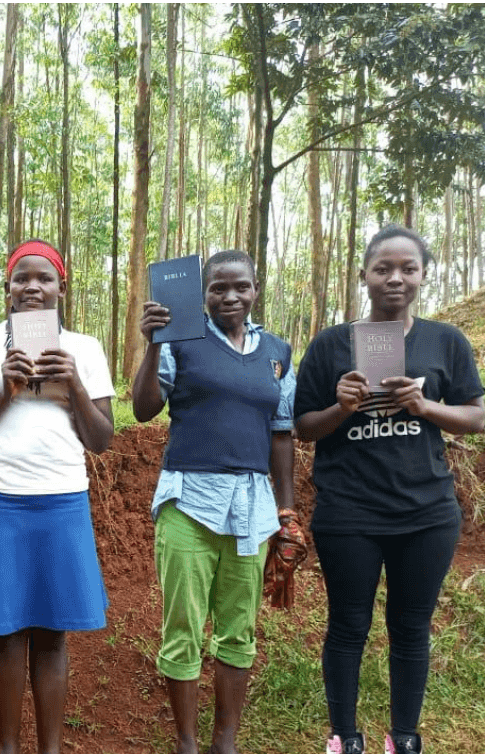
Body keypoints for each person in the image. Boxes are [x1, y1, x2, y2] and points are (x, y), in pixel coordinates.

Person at [295, 226, 485, 754]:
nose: (395, 278)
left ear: (424, 275)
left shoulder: (445, 341)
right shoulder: (331, 344)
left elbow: (475, 416)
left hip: (426, 513)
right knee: (348, 625)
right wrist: (342, 407)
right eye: (383, 268)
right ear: (364, 276)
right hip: (348, 511)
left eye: (408, 268)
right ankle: (345, 737)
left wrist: (425, 408)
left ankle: (404, 737)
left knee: (410, 628)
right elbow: (304, 427)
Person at [0, 239, 115, 754]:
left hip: (61, 503)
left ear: (62, 287)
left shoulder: (84, 348)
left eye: (44, 278)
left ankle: (51, 748)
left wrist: (76, 386)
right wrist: (6, 391)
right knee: (7, 633)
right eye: (22, 278)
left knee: (53, 634)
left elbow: (101, 439)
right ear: (8, 289)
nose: (33, 287)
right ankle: (8, 748)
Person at [131, 249, 296, 754]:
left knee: (239, 630)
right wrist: (153, 346)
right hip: (189, 502)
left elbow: (282, 432)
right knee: (182, 627)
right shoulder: (183, 340)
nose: (230, 296)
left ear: (255, 289)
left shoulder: (278, 352)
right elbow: (142, 409)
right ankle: (186, 742)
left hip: (251, 507)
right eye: (218, 288)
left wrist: (286, 514)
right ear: (202, 294)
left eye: (240, 286)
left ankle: (224, 741)